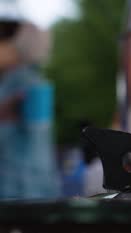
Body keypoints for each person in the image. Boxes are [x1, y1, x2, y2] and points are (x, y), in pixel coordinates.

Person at [0, 20, 59, 199]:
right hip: (31, 188)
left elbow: (36, 135)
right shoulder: (29, 82)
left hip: (22, 190)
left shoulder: (26, 83)